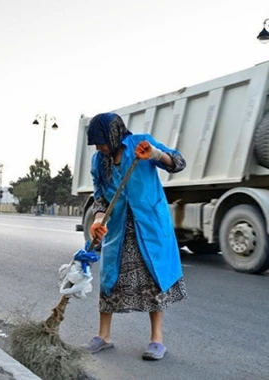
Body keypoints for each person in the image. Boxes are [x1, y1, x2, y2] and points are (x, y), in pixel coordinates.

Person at [83, 112, 188, 361]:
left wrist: (155, 154)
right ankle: (104, 336)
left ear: (115, 134)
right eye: (96, 143)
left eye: (102, 141)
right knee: (109, 280)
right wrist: (98, 221)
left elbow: (178, 162)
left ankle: (156, 340)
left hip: (149, 226)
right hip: (118, 229)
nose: (99, 147)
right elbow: (100, 196)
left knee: (153, 280)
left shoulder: (141, 143)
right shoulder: (99, 161)